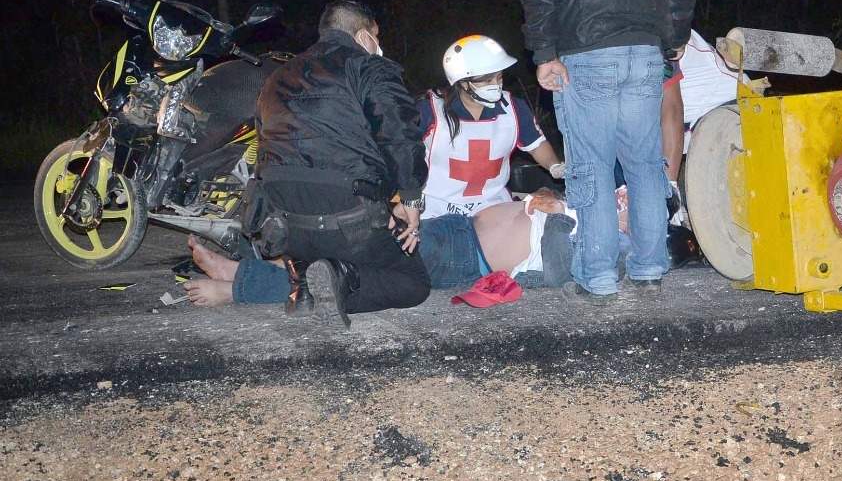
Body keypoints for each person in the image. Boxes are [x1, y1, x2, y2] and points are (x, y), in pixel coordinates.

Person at [519, 0, 695, 306]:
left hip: (585, 53)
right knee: (644, 161)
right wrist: (673, 40)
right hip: (645, 52)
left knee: (591, 165)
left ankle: (597, 273)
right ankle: (650, 264)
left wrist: (543, 51)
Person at [249, 0, 430, 329]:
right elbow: (399, 133)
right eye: (376, 36)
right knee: (414, 282)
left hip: (286, 226)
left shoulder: (275, 77)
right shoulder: (369, 67)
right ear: (363, 36)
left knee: (314, 213)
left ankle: (302, 287)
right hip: (346, 219)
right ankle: (342, 277)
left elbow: (265, 148)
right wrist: (410, 197)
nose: (379, 45)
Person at [184, 189, 590, 304]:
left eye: (625, 202)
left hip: (464, 255)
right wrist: (548, 194)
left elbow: (559, 269)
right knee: (350, 246)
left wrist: (556, 215)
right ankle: (243, 273)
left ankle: (237, 282)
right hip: (457, 228)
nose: (621, 199)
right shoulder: (597, 208)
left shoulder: (613, 246)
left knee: (349, 271)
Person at [419, 35, 563, 218]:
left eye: (499, 77)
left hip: (492, 203)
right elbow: (403, 154)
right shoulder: (430, 109)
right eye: (487, 81)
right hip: (436, 207)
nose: (496, 85)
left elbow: (535, 144)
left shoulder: (513, 107)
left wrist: (554, 165)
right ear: (463, 82)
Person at [659, 28, 742, 224]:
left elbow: (672, 111)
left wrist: (669, 186)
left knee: (713, 213)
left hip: (728, 110)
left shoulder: (659, 32)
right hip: (693, 121)